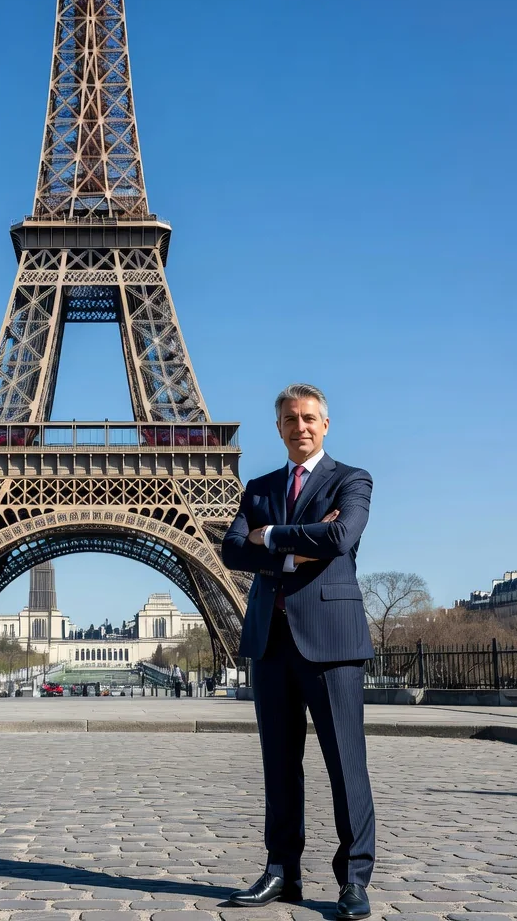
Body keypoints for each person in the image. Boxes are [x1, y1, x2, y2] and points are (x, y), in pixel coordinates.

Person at [221, 383, 375, 921]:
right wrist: (298, 544)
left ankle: (354, 879)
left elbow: (340, 540)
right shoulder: (259, 486)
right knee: (279, 766)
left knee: (344, 765)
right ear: (279, 427)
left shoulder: (351, 480)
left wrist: (271, 539)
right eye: (290, 419)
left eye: (309, 418)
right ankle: (281, 869)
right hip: (271, 642)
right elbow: (231, 549)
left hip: (331, 643)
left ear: (324, 424)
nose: (300, 426)